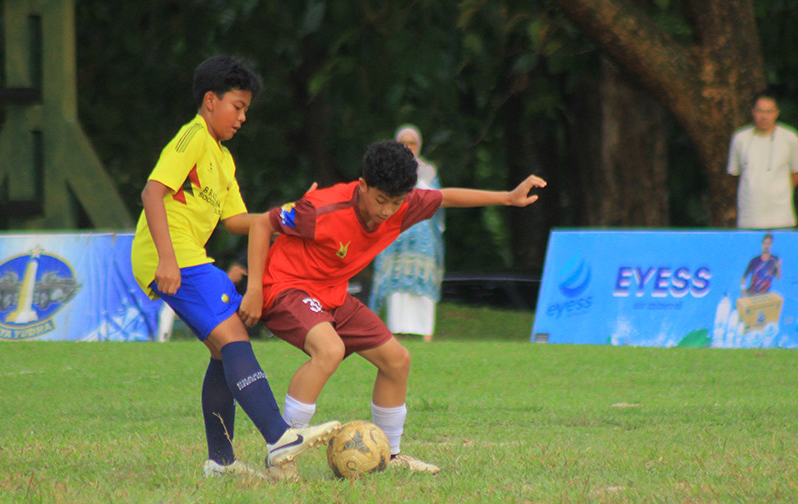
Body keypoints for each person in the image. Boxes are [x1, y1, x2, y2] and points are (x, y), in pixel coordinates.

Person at [238, 140, 546, 474]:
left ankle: (390, 457)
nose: (387, 210)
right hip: (286, 287)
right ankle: (281, 452)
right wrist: (254, 289)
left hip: (333, 294)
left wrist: (508, 197)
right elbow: (262, 224)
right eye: (381, 200)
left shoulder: (405, 205)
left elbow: (447, 197)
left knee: (397, 360)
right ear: (362, 186)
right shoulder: (321, 208)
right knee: (329, 350)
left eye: (396, 202)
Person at [130, 55, 339, 481]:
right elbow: (152, 194)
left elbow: (238, 222)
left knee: (221, 350)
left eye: (246, 109)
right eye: (237, 106)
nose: (243, 117)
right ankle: (279, 436)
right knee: (235, 337)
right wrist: (168, 260)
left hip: (187, 256)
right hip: (173, 256)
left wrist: (286, 215)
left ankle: (220, 463)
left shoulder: (223, 160)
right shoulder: (192, 139)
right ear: (211, 101)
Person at [369, 125, 445, 342]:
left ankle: (425, 333)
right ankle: (395, 330)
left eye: (412, 143)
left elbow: (439, 203)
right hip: (396, 238)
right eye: (404, 143)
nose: (408, 147)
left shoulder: (429, 172)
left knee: (423, 284)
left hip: (423, 238)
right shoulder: (387, 170)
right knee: (396, 284)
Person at [727, 90, 798, 229]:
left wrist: (779, 192)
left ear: (776, 113)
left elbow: (797, 173)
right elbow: (735, 174)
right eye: (760, 111)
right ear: (753, 112)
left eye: (769, 111)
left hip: (782, 217)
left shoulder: (790, 137)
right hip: (749, 217)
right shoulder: (740, 138)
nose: (763, 116)